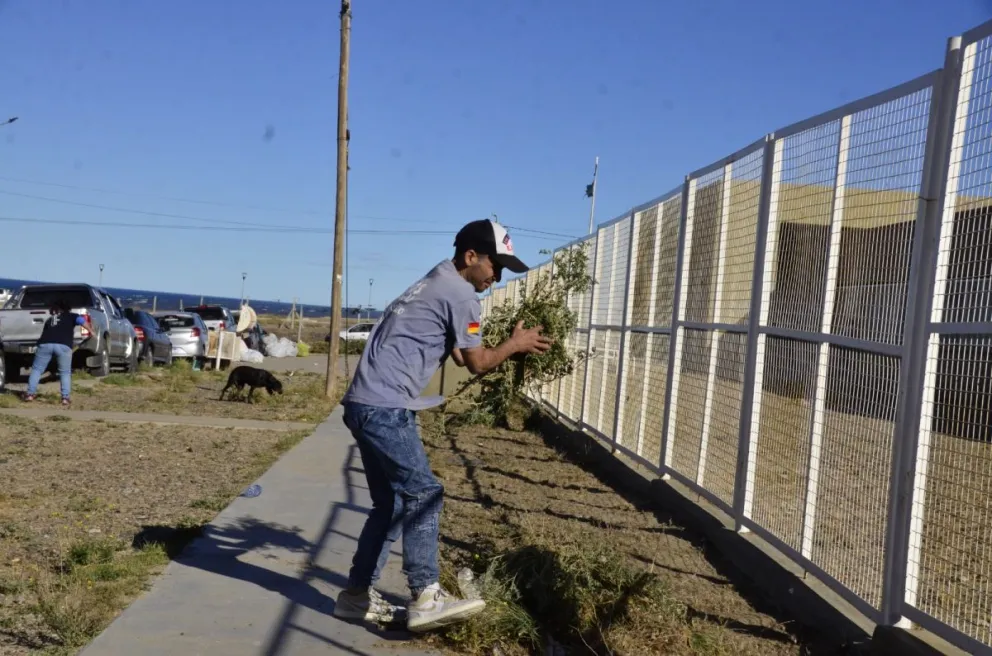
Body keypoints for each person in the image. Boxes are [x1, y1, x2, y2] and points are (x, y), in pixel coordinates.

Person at [336, 219, 552, 632]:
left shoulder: (435, 281)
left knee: (390, 505)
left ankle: (355, 597)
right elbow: (477, 362)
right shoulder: (460, 293)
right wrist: (515, 345)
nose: (498, 276)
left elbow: (456, 353)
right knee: (425, 493)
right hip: (385, 408)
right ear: (471, 257)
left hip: (363, 403)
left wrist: (503, 342)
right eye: (495, 265)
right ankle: (425, 595)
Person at [22, 300, 85, 406]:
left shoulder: (50, 319)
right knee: (64, 372)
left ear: (57, 309)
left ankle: (30, 394)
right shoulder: (72, 316)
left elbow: (43, 335)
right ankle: (65, 398)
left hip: (45, 344)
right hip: (63, 345)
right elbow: (82, 321)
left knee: (37, 370)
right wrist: (92, 331)